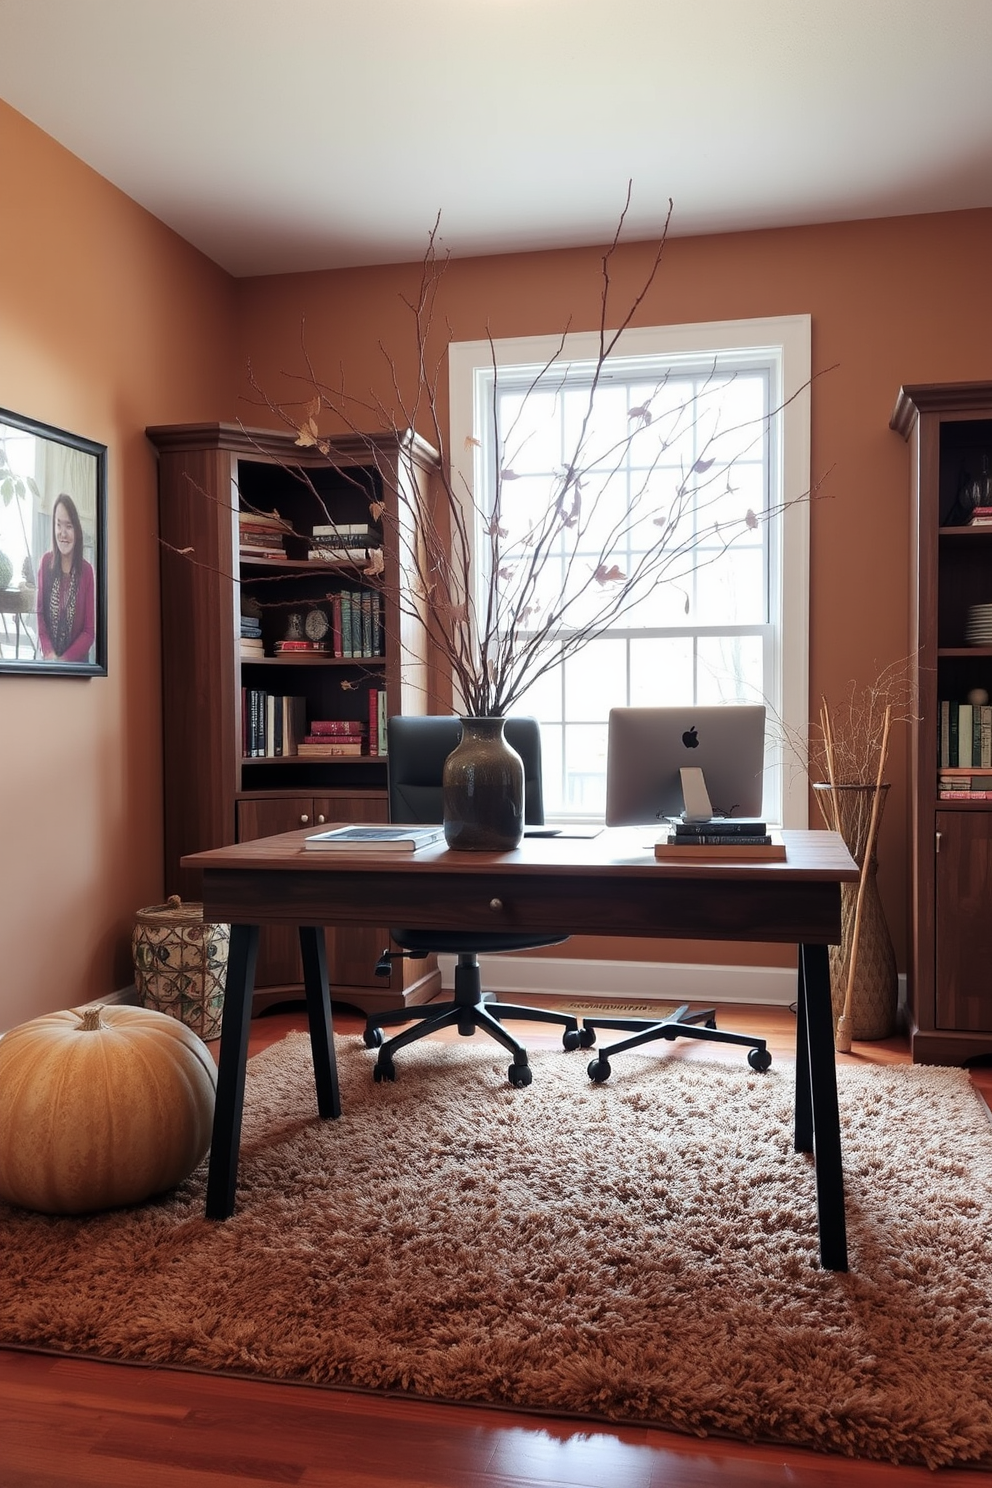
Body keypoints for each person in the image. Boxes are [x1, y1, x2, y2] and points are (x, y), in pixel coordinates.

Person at [36, 493, 95, 662]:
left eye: (68, 526)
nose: (62, 533)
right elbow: (40, 615)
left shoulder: (87, 571)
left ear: (77, 530)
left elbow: (89, 631)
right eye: (58, 525)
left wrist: (63, 662)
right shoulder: (46, 563)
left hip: (77, 666)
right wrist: (49, 655)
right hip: (48, 662)